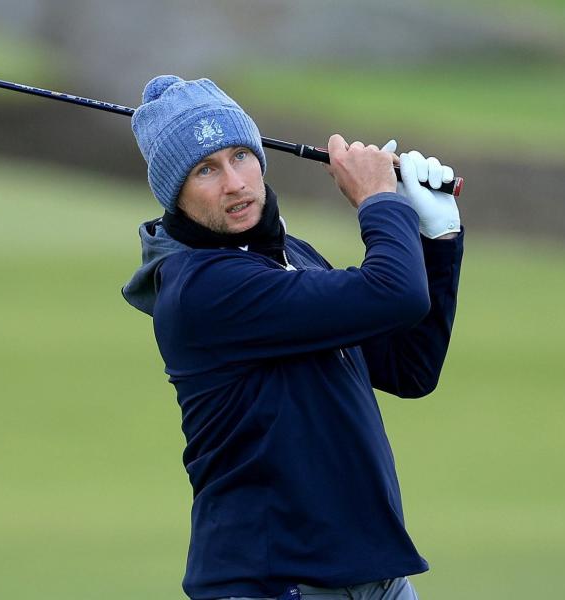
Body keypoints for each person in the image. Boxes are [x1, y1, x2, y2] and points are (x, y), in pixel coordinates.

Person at [122, 75, 463, 600]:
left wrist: (436, 237)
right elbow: (393, 293)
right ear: (177, 194)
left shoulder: (289, 256)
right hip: (276, 585)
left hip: (374, 579)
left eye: (240, 156)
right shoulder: (203, 289)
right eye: (205, 170)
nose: (234, 182)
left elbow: (408, 366)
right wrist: (379, 200)